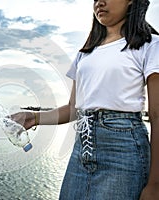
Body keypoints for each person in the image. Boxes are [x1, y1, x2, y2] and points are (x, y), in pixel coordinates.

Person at [11, 0, 159, 199]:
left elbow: (157, 115)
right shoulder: (86, 53)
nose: (100, 3)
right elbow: (73, 108)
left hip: (124, 152)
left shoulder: (151, 45)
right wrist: (34, 117)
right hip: (81, 149)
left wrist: (155, 184)